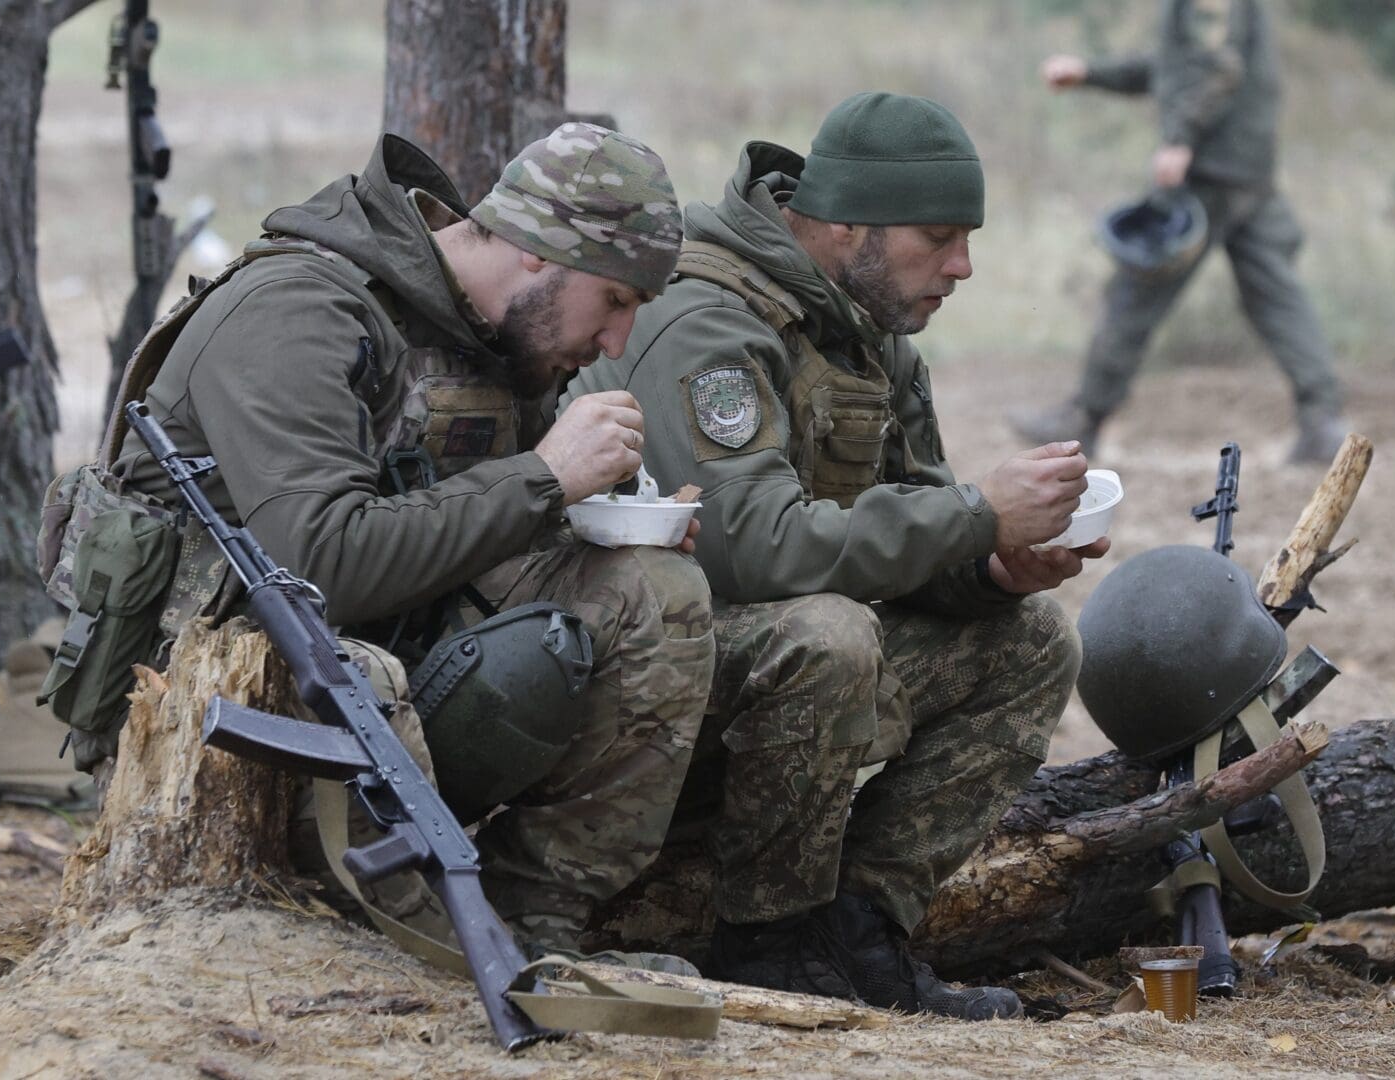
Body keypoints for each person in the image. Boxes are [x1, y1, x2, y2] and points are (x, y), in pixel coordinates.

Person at [87, 126, 716, 964]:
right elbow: (319, 565)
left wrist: (600, 522)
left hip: (386, 658)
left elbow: (456, 517)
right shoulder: (296, 311)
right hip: (218, 697)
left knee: (653, 593)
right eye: (615, 301)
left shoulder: (487, 332)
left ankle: (532, 929)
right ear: (538, 254)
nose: (615, 345)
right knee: (365, 670)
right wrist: (543, 477)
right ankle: (416, 940)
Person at [567, 92, 1105, 1020]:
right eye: (937, 238)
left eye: (966, 239)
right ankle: (768, 940)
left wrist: (988, 569)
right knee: (829, 634)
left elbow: (911, 525)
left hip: (751, 669)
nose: (963, 266)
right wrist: (978, 517)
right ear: (843, 222)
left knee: (1032, 640)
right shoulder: (707, 318)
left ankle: (860, 931)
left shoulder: (867, 331)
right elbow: (750, 550)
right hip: (632, 685)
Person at [1008, 0, 1349, 464]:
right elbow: (1175, 67)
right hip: (1247, 168)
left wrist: (1181, 138)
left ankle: (1083, 418)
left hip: (1206, 171)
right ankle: (1321, 420)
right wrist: (1091, 73)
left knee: (1136, 290)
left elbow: (1217, 65)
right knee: (1275, 294)